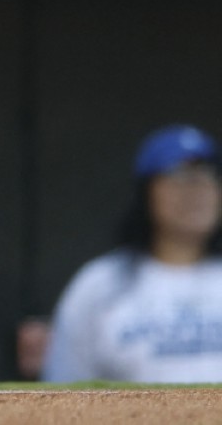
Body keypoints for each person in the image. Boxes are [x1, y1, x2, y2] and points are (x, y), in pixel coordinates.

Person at [43, 125, 222, 382]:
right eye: (180, 174)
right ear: (147, 192)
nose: (197, 189)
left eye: (209, 174)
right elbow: (62, 389)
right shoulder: (100, 283)